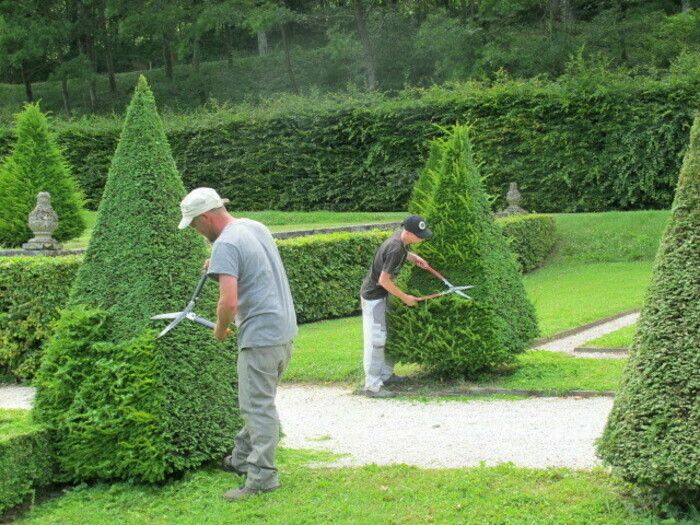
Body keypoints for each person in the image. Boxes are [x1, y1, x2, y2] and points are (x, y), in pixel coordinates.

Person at [178, 187, 297, 501]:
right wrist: (220, 268)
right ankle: (241, 458)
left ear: (205, 217)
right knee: (257, 400)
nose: (195, 230)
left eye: (194, 224)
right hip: (283, 331)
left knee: (257, 407)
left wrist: (220, 328)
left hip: (260, 335)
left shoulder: (226, 243)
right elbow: (255, 270)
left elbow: (228, 302)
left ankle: (261, 479)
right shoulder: (252, 227)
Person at [359, 214, 434, 398]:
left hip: (382, 295)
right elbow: (384, 280)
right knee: (376, 340)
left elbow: (401, 253)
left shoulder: (400, 241)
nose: (421, 238)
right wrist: (405, 297)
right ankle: (372, 386)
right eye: (419, 235)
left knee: (388, 334)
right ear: (408, 233)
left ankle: (386, 374)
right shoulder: (395, 248)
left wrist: (414, 257)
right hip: (374, 297)